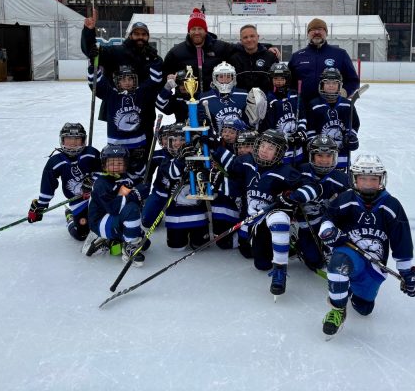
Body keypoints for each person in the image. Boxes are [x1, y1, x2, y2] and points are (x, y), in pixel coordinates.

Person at [318, 154, 415, 338]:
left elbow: (401, 240)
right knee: (339, 263)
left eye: (373, 179)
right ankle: (337, 309)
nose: (367, 184)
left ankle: (351, 288)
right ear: (354, 179)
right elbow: (328, 219)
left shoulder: (391, 205)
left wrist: (407, 272)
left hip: (374, 264)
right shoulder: (346, 199)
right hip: (350, 252)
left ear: (381, 179)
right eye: (362, 179)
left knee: (364, 308)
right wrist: (328, 231)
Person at [213, 129, 322, 296]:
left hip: (270, 222)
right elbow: (230, 163)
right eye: (262, 145)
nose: (264, 150)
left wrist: (293, 196)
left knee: (274, 227)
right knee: (260, 263)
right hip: (251, 224)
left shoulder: (286, 172)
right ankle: (282, 244)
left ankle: (281, 264)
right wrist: (211, 144)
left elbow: (314, 187)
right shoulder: (247, 162)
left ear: (279, 154)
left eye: (270, 148)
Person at [81, 14, 163, 148]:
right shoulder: (116, 51)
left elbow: (157, 81)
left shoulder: (152, 56)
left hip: (145, 109)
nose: (140, 37)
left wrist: (156, 61)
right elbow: (91, 51)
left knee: (144, 147)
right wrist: (89, 32)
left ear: (148, 37)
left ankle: (141, 169)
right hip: (118, 106)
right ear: (130, 35)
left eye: (144, 34)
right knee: (119, 150)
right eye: (136, 34)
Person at [89, 59, 163, 182]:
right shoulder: (112, 95)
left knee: (139, 175)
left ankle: (136, 197)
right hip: (116, 145)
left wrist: (154, 61)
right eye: (123, 79)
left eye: (130, 79)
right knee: (116, 175)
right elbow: (96, 83)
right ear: (117, 81)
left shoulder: (140, 93)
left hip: (139, 145)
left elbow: (155, 81)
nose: (127, 82)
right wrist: (93, 66)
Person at [27, 123, 101, 241]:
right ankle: (70, 217)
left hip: (97, 196)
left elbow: (103, 170)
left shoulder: (91, 153)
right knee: (82, 234)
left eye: (77, 139)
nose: (73, 143)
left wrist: (93, 181)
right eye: (69, 139)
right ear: (62, 140)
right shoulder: (55, 162)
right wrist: (41, 205)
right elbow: (48, 184)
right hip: (78, 201)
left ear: (83, 140)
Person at [141, 124, 210, 250]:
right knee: (149, 223)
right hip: (162, 195)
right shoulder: (163, 157)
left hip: (188, 201)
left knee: (201, 245)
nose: (178, 143)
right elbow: (165, 173)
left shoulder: (196, 154)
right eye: (173, 139)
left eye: (182, 139)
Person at [295, 135, 351, 270]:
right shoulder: (300, 171)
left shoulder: (343, 179)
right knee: (314, 261)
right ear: (312, 156)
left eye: (328, 156)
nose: (324, 160)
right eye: (320, 155)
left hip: (330, 224)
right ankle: (298, 241)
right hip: (306, 225)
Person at [83, 145, 147, 264]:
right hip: (99, 221)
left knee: (145, 243)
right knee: (132, 210)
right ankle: (129, 247)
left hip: (113, 216)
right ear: (104, 165)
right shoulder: (101, 183)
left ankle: (114, 240)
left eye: (119, 164)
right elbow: (113, 208)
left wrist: (141, 188)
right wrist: (136, 194)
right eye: (111, 164)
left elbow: (137, 184)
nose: (115, 167)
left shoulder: (125, 178)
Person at [162, 8, 237, 92]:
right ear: (189, 31)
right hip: (188, 101)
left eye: (200, 28)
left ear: (205, 31)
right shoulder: (176, 52)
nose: (197, 32)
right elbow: (166, 75)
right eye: (193, 29)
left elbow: (239, 51)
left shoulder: (221, 47)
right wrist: (177, 86)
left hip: (214, 99)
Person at [288, 17, 359, 104]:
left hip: (331, 108)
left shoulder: (340, 54)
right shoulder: (297, 56)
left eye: (320, 29)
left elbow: (353, 80)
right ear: (308, 34)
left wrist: (345, 92)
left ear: (326, 33)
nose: (316, 32)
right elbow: (288, 82)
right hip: (303, 109)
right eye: (313, 29)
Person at [300, 67, 359, 169]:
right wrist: (313, 143)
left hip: (342, 158)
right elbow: (310, 128)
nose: (331, 86)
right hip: (320, 157)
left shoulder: (348, 105)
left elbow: (354, 125)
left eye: (335, 83)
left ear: (340, 85)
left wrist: (351, 137)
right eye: (327, 83)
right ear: (322, 85)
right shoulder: (314, 105)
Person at [260, 62, 305, 164]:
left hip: (296, 150)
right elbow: (268, 126)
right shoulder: (268, 99)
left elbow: (302, 117)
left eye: (281, 79)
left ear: (287, 80)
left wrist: (301, 131)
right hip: (278, 148)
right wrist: (283, 139)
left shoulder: (295, 96)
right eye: (276, 79)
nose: (279, 82)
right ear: (271, 80)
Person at [198, 62, 249, 135]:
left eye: (228, 77)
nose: (224, 80)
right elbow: (201, 121)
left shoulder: (244, 95)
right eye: (221, 77)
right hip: (216, 140)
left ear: (233, 78)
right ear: (215, 78)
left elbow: (249, 121)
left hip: (240, 139)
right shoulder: (204, 98)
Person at [228, 24, 280, 92]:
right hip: (241, 100)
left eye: (252, 36)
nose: (249, 40)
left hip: (266, 100)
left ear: (258, 37)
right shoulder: (234, 59)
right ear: (241, 40)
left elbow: (278, 80)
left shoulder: (271, 57)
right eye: (245, 37)